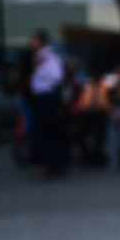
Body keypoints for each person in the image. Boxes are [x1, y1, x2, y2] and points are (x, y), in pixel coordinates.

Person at [26, 29, 68, 178]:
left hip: (48, 98)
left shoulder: (48, 57)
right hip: (41, 98)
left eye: (33, 39)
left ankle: (49, 165)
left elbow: (57, 76)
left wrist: (40, 68)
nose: (30, 42)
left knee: (45, 132)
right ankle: (52, 164)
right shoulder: (39, 57)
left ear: (41, 41)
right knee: (47, 132)